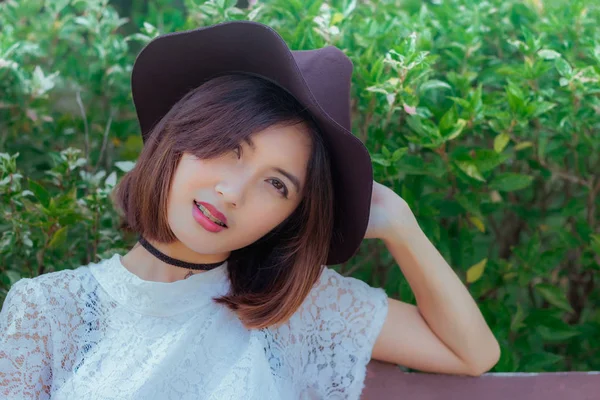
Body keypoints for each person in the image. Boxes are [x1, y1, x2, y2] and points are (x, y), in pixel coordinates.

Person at [0, 21, 500, 399]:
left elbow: (470, 352)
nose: (234, 191)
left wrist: (401, 227)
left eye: (277, 185)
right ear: (178, 137)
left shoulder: (289, 309)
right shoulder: (48, 310)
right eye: (230, 147)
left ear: (291, 216)